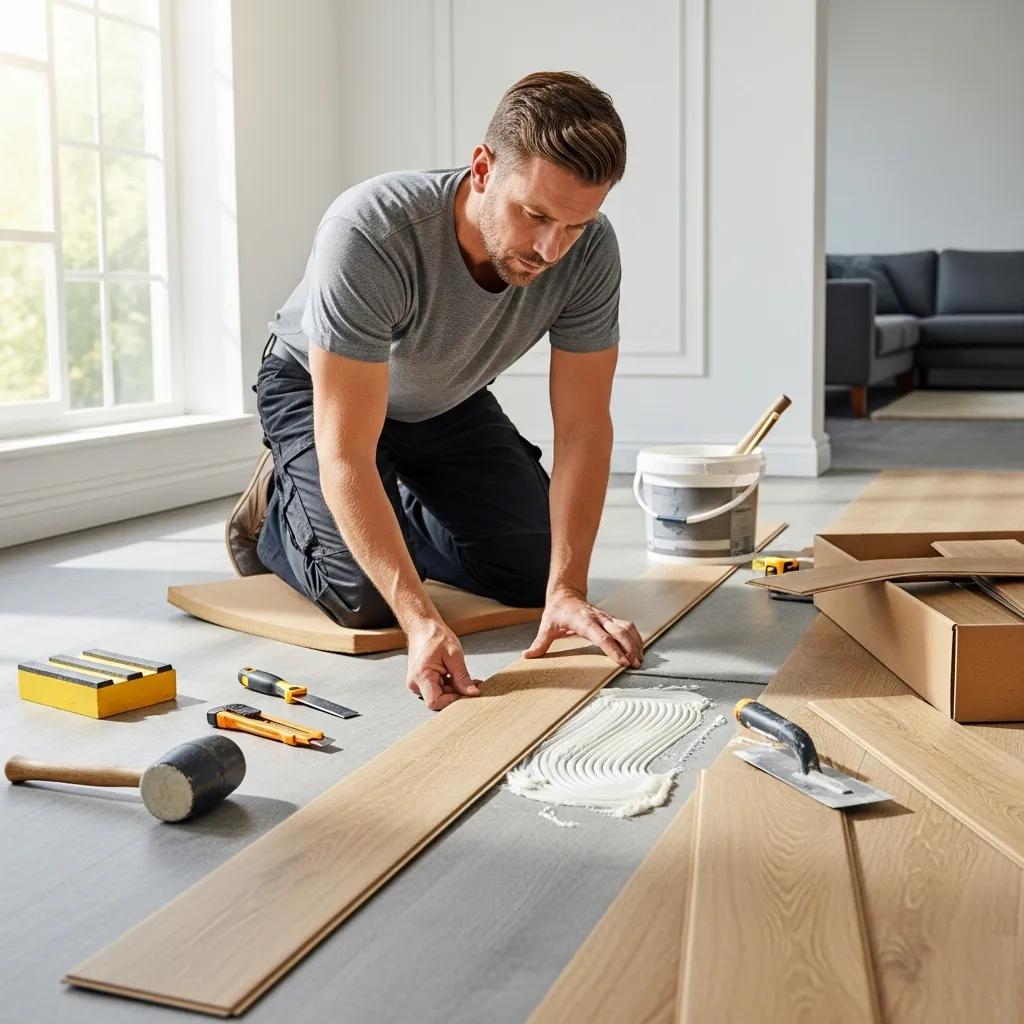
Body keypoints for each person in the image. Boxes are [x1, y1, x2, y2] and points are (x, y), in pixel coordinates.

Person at [227, 71, 643, 711]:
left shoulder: (589, 253)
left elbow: (584, 429)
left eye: (575, 226)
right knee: (371, 602)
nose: (550, 249)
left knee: (535, 573)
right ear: (483, 168)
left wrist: (568, 589)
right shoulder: (370, 230)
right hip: (320, 393)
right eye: (534, 215)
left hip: (446, 397)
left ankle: (388, 502)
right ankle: (279, 509)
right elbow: (345, 453)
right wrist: (420, 619)